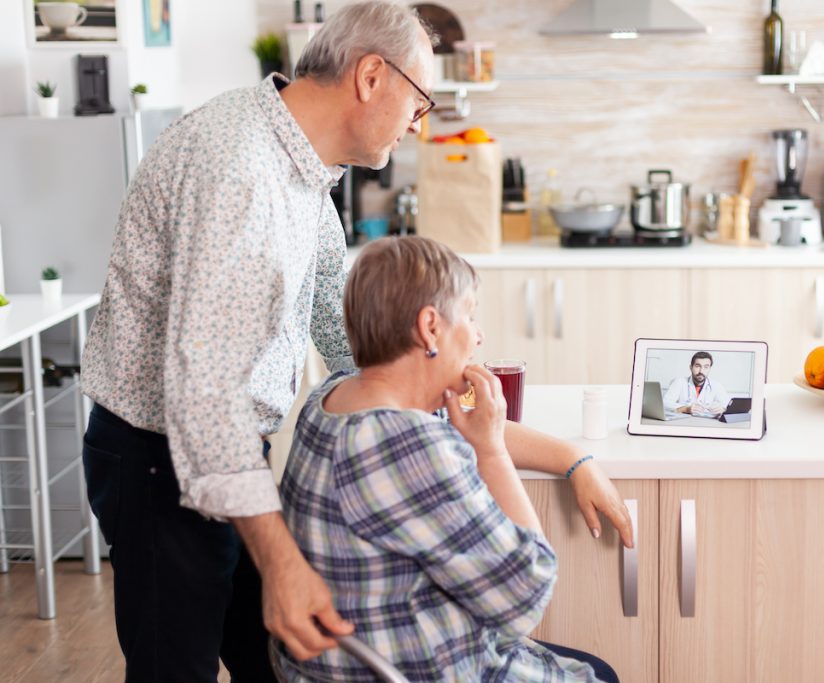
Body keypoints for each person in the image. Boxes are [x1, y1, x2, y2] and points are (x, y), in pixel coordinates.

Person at [79, 3, 632, 680]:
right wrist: (281, 565)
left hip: (226, 456)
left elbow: (369, 361)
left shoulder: (306, 173)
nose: (420, 123)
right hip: (159, 456)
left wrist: (563, 452)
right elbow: (206, 402)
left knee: (275, 661)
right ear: (372, 76)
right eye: (420, 101)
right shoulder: (243, 173)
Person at [272, 236, 618, 682]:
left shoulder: (333, 398)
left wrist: (573, 458)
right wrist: (490, 452)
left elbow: (446, 419)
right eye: (470, 316)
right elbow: (523, 599)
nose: (478, 336)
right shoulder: (410, 447)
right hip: (426, 666)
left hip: (339, 665)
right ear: (430, 327)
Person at [663, 351, 731, 417]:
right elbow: (664, 403)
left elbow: (728, 405)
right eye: (697, 366)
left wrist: (724, 409)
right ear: (691, 367)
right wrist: (686, 409)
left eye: (706, 367)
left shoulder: (716, 385)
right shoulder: (679, 382)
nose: (701, 371)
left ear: (709, 368)